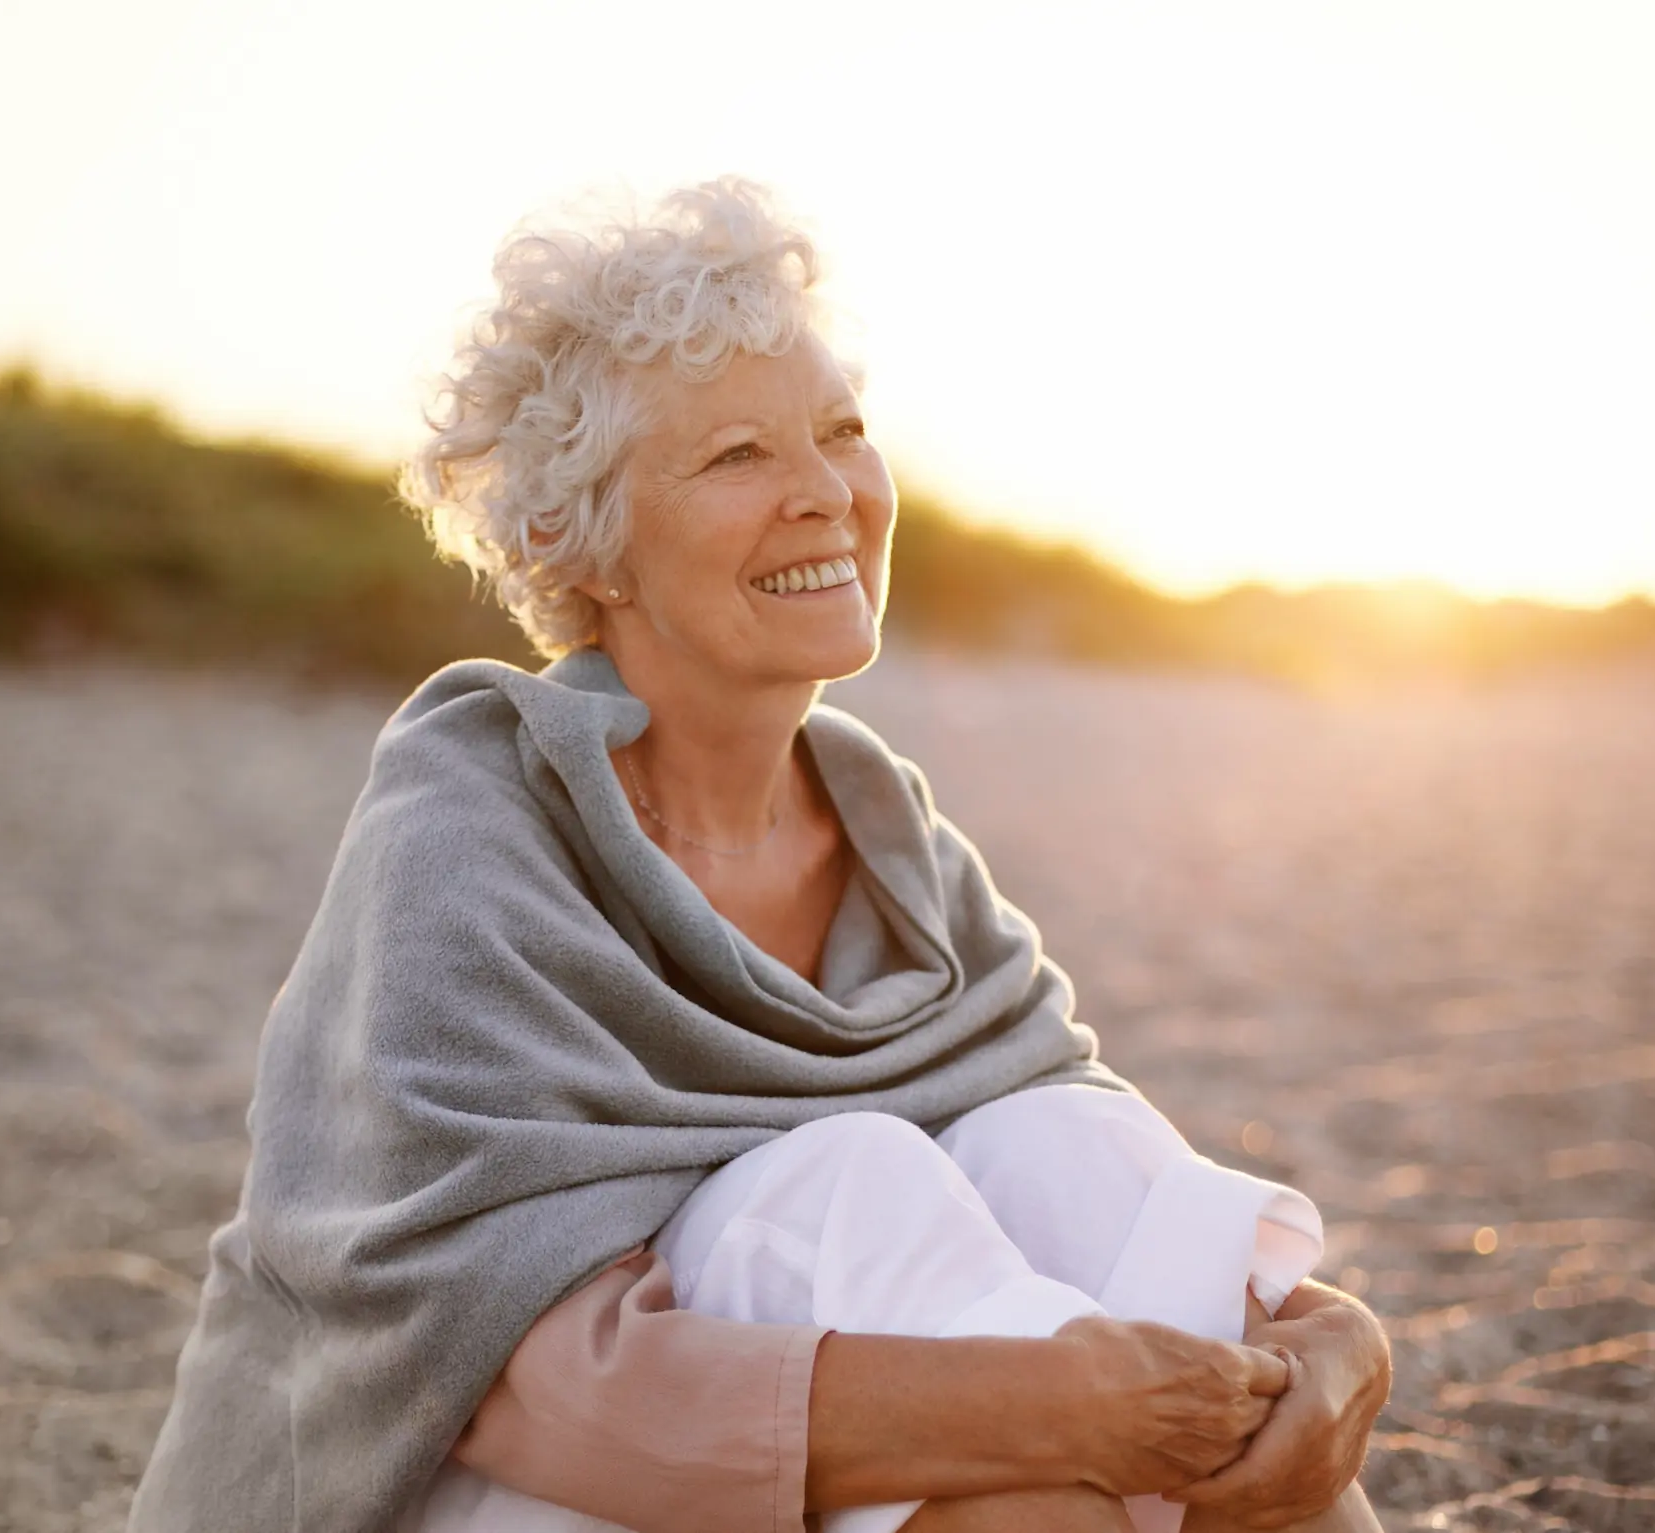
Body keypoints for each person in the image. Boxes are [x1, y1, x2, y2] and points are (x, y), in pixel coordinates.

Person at [128, 180, 1389, 1533]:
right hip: (453, 1480)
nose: (826, 496)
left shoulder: (892, 843)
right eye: (737, 456)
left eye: (841, 431)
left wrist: (1331, 1352)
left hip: (777, 1449)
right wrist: (1038, 1408)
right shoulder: (470, 835)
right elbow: (508, 1378)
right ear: (578, 542)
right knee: (849, 1182)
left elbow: (1098, 1195)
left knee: (1053, 1136)